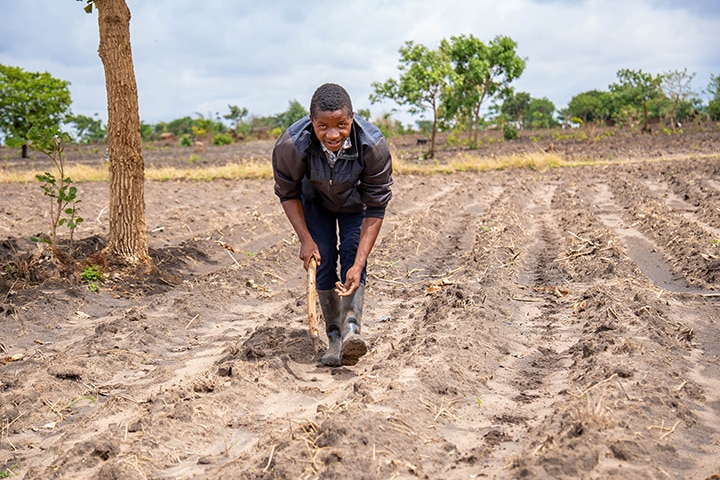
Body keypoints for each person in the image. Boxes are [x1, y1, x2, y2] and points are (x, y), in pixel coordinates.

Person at [272, 83, 393, 367]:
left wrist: (360, 263)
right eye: (322, 126)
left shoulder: (373, 145)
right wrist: (305, 239)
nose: (333, 134)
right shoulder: (291, 145)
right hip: (315, 203)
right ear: (311, 121)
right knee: (323, 257)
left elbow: (376, 206)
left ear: (352, 117)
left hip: (355, 205)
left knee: (352, 255)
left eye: (341, 124)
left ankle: (352, 331)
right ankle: (334, 337)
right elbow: (288, 193)